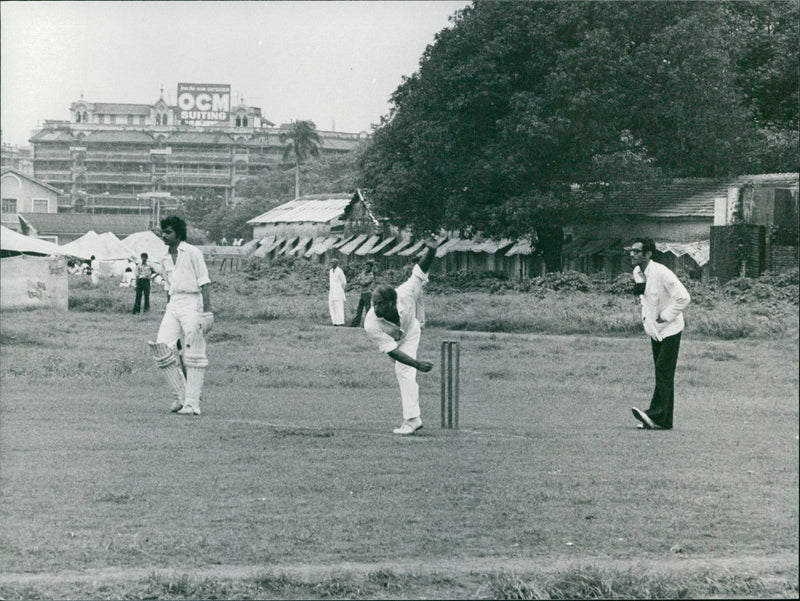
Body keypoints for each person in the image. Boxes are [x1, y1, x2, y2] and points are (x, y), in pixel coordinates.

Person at [364, 243, 436, 435]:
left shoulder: (405, 292)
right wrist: (417, 364)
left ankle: (412, 420)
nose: (375, 308)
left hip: (410, 331)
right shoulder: (371, 323)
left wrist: (433, 250)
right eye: (373, 303)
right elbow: (392, 351)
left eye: (379, 304)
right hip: (393, 342)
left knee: (403, 371)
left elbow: (420, 270)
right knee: (404, 367)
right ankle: (413, 419)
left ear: (391, 302)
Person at [148, 216, 213, 416]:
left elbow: (205, 283)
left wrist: (207, 312)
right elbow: (168, 287)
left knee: (193, 351)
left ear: (178, 233)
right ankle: (181, 395)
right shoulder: (164, 258)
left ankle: (193, 403)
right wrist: (170, 307)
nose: (164, 236)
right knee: (161, 348)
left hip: (193, 302)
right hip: (174, 303)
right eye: (163, 232)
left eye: (168, 232)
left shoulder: (192, 252)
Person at [627, 237, 691, 430]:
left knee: (664, 370)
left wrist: (665, 316)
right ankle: (658, 419)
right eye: (631, 250)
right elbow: (646, 298)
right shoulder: (637, 272)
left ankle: (658, 416)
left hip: (671, 329)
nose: (632, 254)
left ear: (648, 254)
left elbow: (684, 298)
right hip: (655, 330)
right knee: (661, 372)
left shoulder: (663, 273)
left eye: (637, 251)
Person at [349, 261, 376, 327]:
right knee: (359, 310)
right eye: (366, 266)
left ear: (371, 267)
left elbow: (364, 283)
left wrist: (360, 281)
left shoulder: (371, 276)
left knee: (368, 310)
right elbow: (358, 280)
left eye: (368, 266)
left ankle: (368, 324)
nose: (366, 267)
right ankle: (355, 324)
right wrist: (360, 281)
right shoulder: (363, 273)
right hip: (362, 293)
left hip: (367, 294)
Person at [328, 258, 347, 326]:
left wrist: (341, 289)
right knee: (332, 305)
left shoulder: (339, 271)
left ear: (336, 263)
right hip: (332, 291)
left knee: (339, 306)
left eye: (333, 263)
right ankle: (334, 322)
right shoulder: (330, 271)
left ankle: (340, 322)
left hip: (338, 291)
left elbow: (344, 282)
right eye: (331, 263)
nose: (331, 264)